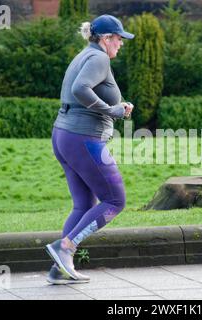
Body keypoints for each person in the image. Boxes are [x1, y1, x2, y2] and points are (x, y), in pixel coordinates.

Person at [45, 14, 135, 285]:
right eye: (119, 39)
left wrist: (117, 108)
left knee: (84, 204)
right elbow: (80, 89)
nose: (121, 44)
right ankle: (66, 249)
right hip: (85, 139)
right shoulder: (99, 58)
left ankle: (60, 269)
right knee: (115, 201)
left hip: (64, 136)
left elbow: (80, 92)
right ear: (106, 39)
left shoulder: (84, 54)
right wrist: (111, 110)